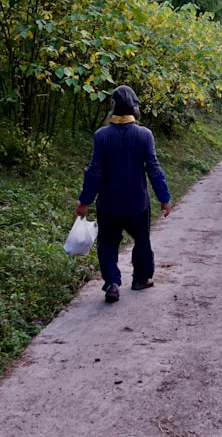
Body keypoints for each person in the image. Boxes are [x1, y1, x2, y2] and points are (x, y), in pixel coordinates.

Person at [74, 85, 172, 303]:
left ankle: (112, 283)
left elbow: (95, 172)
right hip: (137, 203)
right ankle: (140, 279)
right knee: (142, 240)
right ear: (134, 109)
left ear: (113, 108)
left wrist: (85, 201)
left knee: (108, 242)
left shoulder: (102, 136)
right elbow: (154, 168)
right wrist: (164, 198)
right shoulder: (144, 135)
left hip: (108, 204)